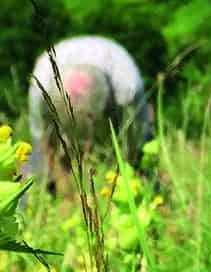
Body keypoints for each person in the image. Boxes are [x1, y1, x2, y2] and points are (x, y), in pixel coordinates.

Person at [24, 35, 155, 187]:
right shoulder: (41, 85)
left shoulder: (128, 87)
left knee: (143, 162)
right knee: (38, 168)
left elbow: (136, 139)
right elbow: (42, 140)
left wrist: (128, 170)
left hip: (116, 78)